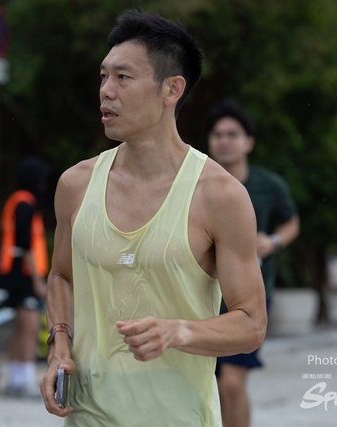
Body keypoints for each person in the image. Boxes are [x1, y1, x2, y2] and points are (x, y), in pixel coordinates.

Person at [40, 10, 267, 426]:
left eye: (123, 77)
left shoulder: (220, 195)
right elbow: (62, 275)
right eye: (103, 76)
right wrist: (59, 345)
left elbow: (251, 324)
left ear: (171, 89)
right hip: (87, 416)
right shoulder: (76, 184)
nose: (106, 91)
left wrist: (177, 331)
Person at [206, 99, 300, 427]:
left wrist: (273, 241)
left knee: (232, 383)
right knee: (212, 385)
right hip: (204, 298)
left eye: (232, 134)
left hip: (250, 297)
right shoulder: (196, 184)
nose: (224, 141)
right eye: (217, 134)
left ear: (249, 142)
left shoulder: (268, 185)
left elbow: (291, 222)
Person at [0, 157, 51, 397]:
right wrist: (38, 282)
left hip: (13, 271)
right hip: (23, 274)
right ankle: (25, 380)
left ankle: (16, 378)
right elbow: (26, 245)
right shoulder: (26, 204)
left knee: (21, 327)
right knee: (30, 326)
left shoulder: (15, 200)